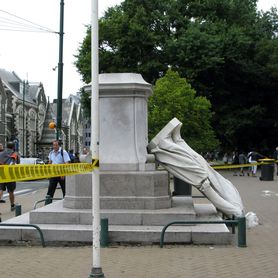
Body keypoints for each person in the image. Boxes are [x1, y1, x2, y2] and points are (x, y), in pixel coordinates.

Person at [0, 141, 20, 210]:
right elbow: (18, 162)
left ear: (6, 146)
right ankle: (12, 205)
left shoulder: (1, 153)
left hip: (2, 173)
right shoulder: (15, 154)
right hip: (10, 174)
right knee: (11, 191)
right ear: (13, 147)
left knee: (0, 190)